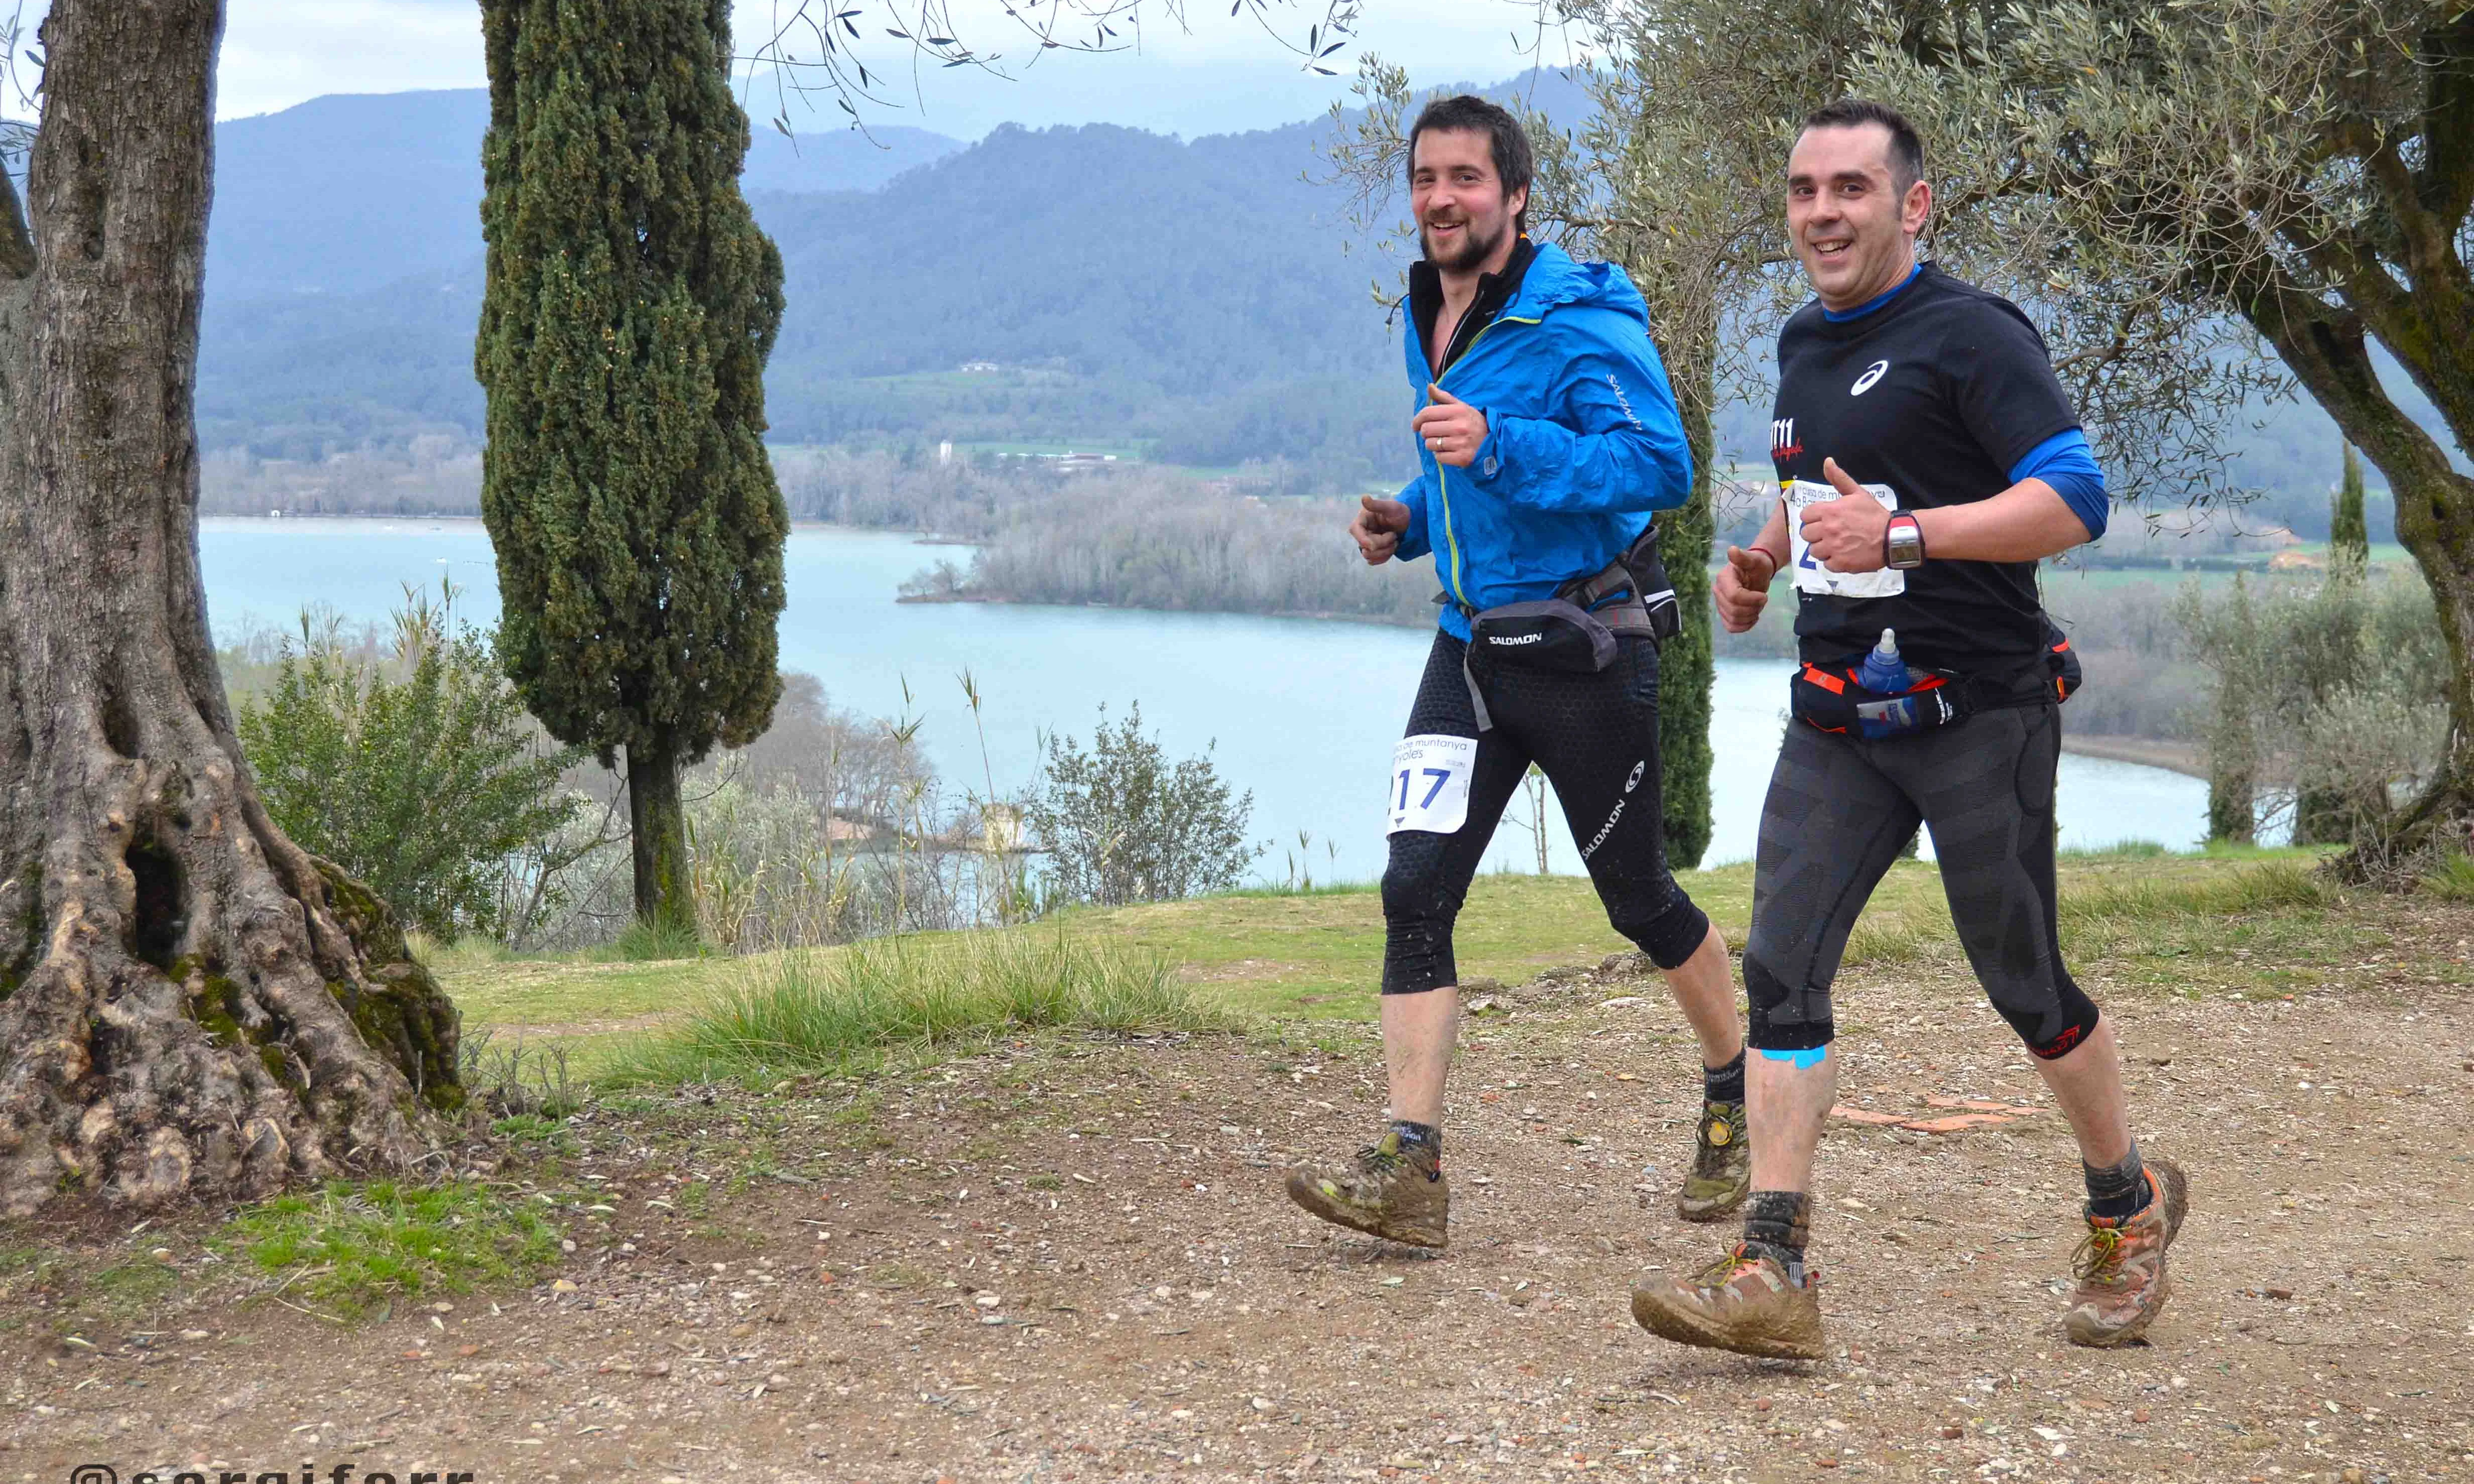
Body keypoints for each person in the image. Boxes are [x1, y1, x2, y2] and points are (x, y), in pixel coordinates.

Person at [1629, 99, 2188, 1359]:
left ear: (1911, 206)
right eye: (1802, 190)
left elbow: (2076, 498)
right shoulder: (1796, 341)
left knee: (2022, 982)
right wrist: (1768, 558)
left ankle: (2129, 1203)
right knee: (1779, 968)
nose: (1821, 212)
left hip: (1979, 712)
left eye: (1850, 190)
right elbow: (1817, 485)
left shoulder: (1972, 335)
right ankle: (1771, 1268)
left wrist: (1904, 536)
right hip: (1836, 720)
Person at [1281, 95, 1750, 1251]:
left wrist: (1496, 444)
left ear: (1515, 193)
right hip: (1470, 649)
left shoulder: (1581, 316)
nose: (1441, 198)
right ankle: (1410, 1163)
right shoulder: (1425, 304)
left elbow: (1658, 465)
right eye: (1425, 177)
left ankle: (1734, 1082)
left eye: (1465, 180)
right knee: (1413, 888)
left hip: (1586, 648)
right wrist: (1417, 519)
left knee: (1638, 899)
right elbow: (1460, 459)